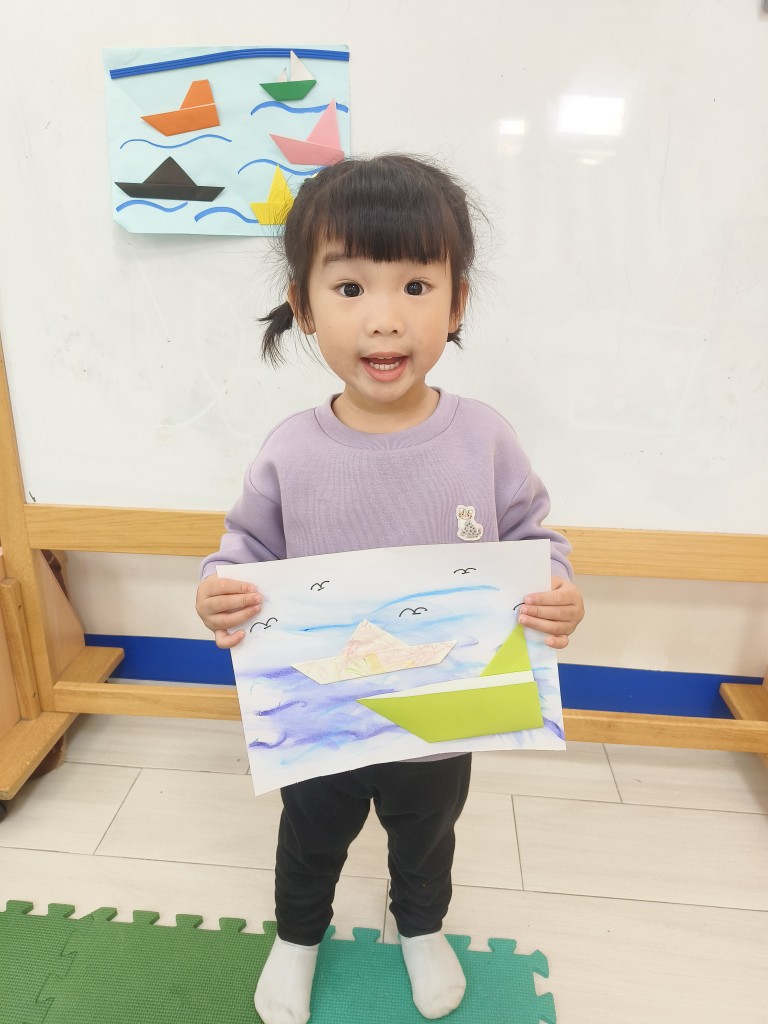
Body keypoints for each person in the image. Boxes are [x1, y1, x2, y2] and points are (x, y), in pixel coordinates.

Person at [196, 154, 585, 1024]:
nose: (385, 318)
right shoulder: (290, 450)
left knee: (426, 839)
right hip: (322, 720)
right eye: (349, 288)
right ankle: (299, 936)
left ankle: (420, 928)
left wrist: (557, 587)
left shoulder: (483, 439)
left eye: (416, 285)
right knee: (310, 837)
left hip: (442, 722)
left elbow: (535, 537)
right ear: (303, 306)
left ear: (458, 301)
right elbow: (243, 550)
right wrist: (218, 588)